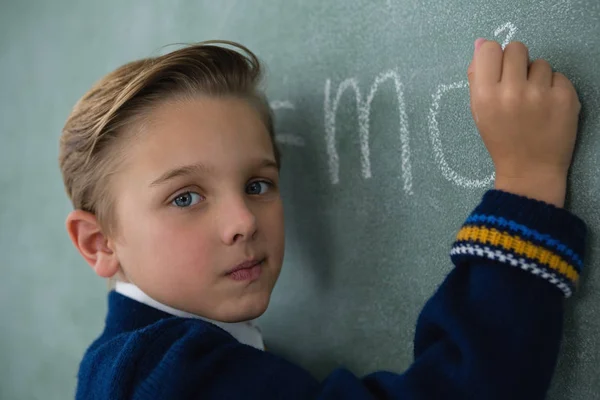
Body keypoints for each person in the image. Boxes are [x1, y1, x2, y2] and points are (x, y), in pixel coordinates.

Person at [59, 38, 586, 399]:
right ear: (99, 242)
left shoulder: (127, 366)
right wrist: (527, 179)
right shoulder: (172, 375)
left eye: (257, 185)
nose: (243, 219)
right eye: (185, 198)